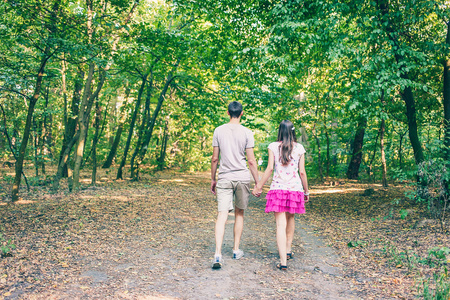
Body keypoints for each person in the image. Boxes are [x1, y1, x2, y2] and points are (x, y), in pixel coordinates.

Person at [252, 120, 309, 271]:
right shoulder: (300, 148)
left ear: (280, 131)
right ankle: (288, 250)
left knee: (280, 225)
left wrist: (259, 186)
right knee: (291, 218)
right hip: (295, 190)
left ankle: (283, 260)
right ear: (293, 131)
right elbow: (302, 172)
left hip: (278, 189)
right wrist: (306, 191)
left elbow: (270, 168)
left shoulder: (273, 147)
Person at [210, 101, 259, 269]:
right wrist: (258, 182)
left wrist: (213, 178)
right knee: (239, 213)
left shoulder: (218, 130)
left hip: (224, 177)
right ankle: (236, 250)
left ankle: (217, 253)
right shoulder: (247, 132)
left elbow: (215, 158)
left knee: (221, 215)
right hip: (242, 178)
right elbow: (251, 160)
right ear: (242, 113)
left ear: (227, 112)